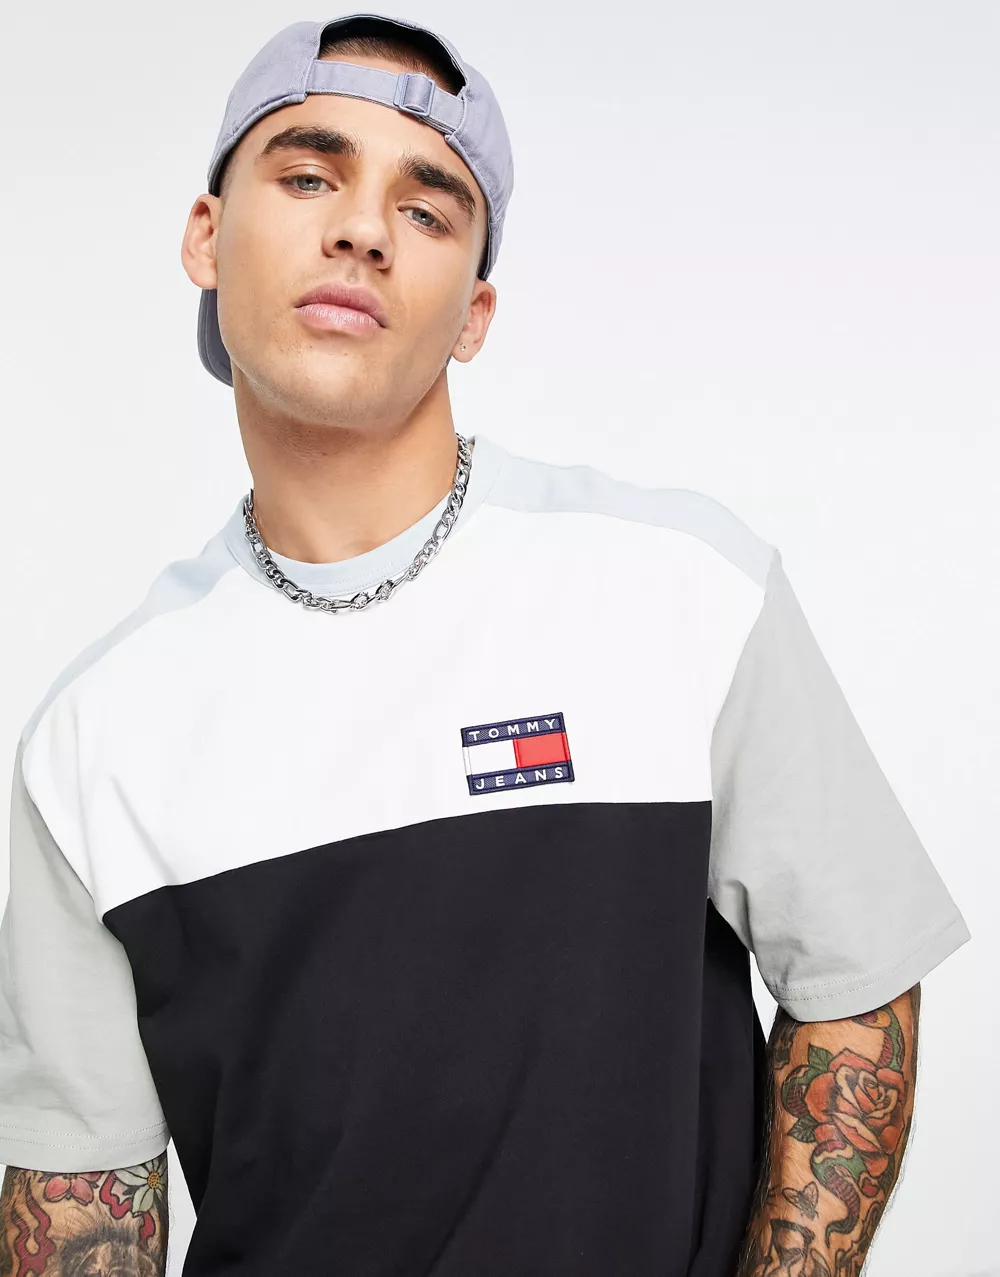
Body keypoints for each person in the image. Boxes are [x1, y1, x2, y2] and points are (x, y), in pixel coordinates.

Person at [0, 13, 971, 1277]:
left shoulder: (678, 589)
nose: (361, 229)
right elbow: (80, 1191)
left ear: (475, 311)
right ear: (204, 235)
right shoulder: (96, 735)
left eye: (426, 209)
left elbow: (854, 980)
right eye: (308, 176)